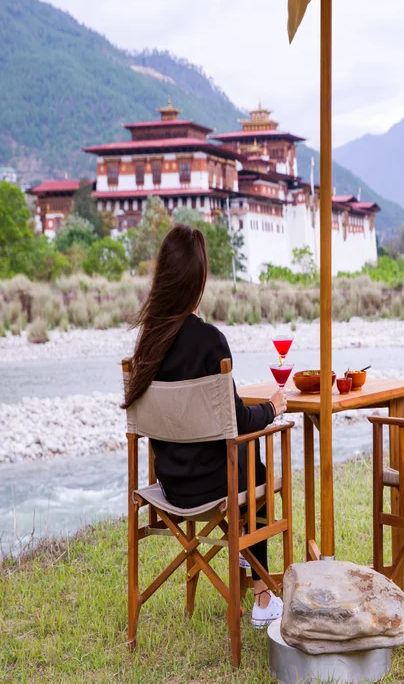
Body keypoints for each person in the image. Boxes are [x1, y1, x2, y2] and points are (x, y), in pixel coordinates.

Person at [122, 224, 287, 628]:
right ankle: (262, 593)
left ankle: (248, 568)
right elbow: (239, 421)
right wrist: (272, 407)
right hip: (215, 488)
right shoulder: (211, 342)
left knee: (244, 460)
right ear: (198, 281)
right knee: (255, 464)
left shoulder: (147, 343)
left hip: (171, 485)